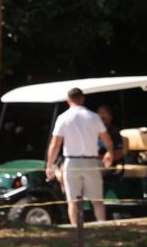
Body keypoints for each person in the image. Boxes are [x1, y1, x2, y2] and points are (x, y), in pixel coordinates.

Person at [45, 88, 114, 224]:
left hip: (72, 163)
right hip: (91, 162)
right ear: (82, 99)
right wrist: (110, 152)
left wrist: (50, 165)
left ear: (68, 100)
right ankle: (101, 225)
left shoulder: (63, 118)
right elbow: (107, 140)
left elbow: (55, 144)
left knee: (73, 201)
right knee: (97, 201)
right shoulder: (94, 117)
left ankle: (75, 231)